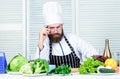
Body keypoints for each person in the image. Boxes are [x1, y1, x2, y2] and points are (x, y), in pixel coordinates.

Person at [35, 2, 97, 68]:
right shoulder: (45, 43)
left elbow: (91, 52)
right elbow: (40, 65)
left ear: (62, 25)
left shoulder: (73, 38)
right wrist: (41, 40)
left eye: (58, 27)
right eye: (52, 28)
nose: (56, 31)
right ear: (46, 28)